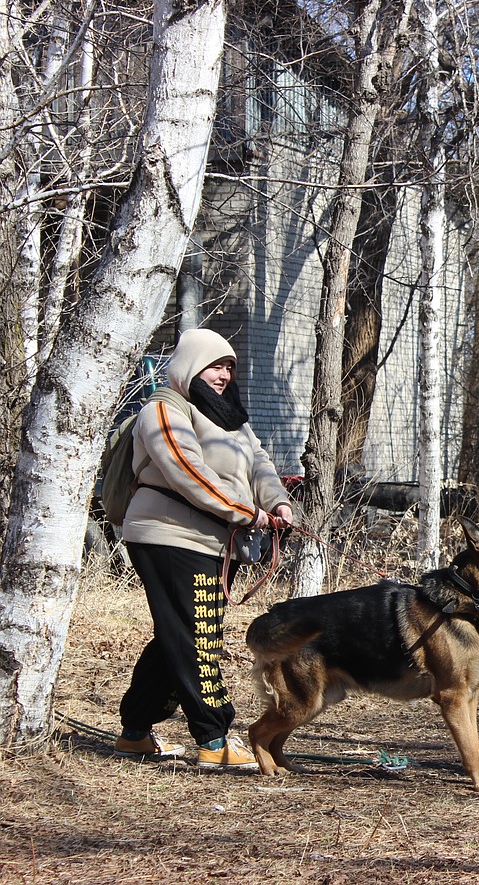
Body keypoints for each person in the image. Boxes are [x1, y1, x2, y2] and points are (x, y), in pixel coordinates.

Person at [114, 328, 294, 769]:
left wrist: (278, 502)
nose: (224, 374)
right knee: (197, 635)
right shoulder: (162, 409)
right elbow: (186, 472)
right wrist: (247, 512)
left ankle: (135, 731)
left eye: (230, 366)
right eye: (216, 364)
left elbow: (260, 462)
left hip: (215, 539)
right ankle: (213, 738)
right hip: (167, 534)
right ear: (190, 364)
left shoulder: (228, 415)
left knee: (176, 632)